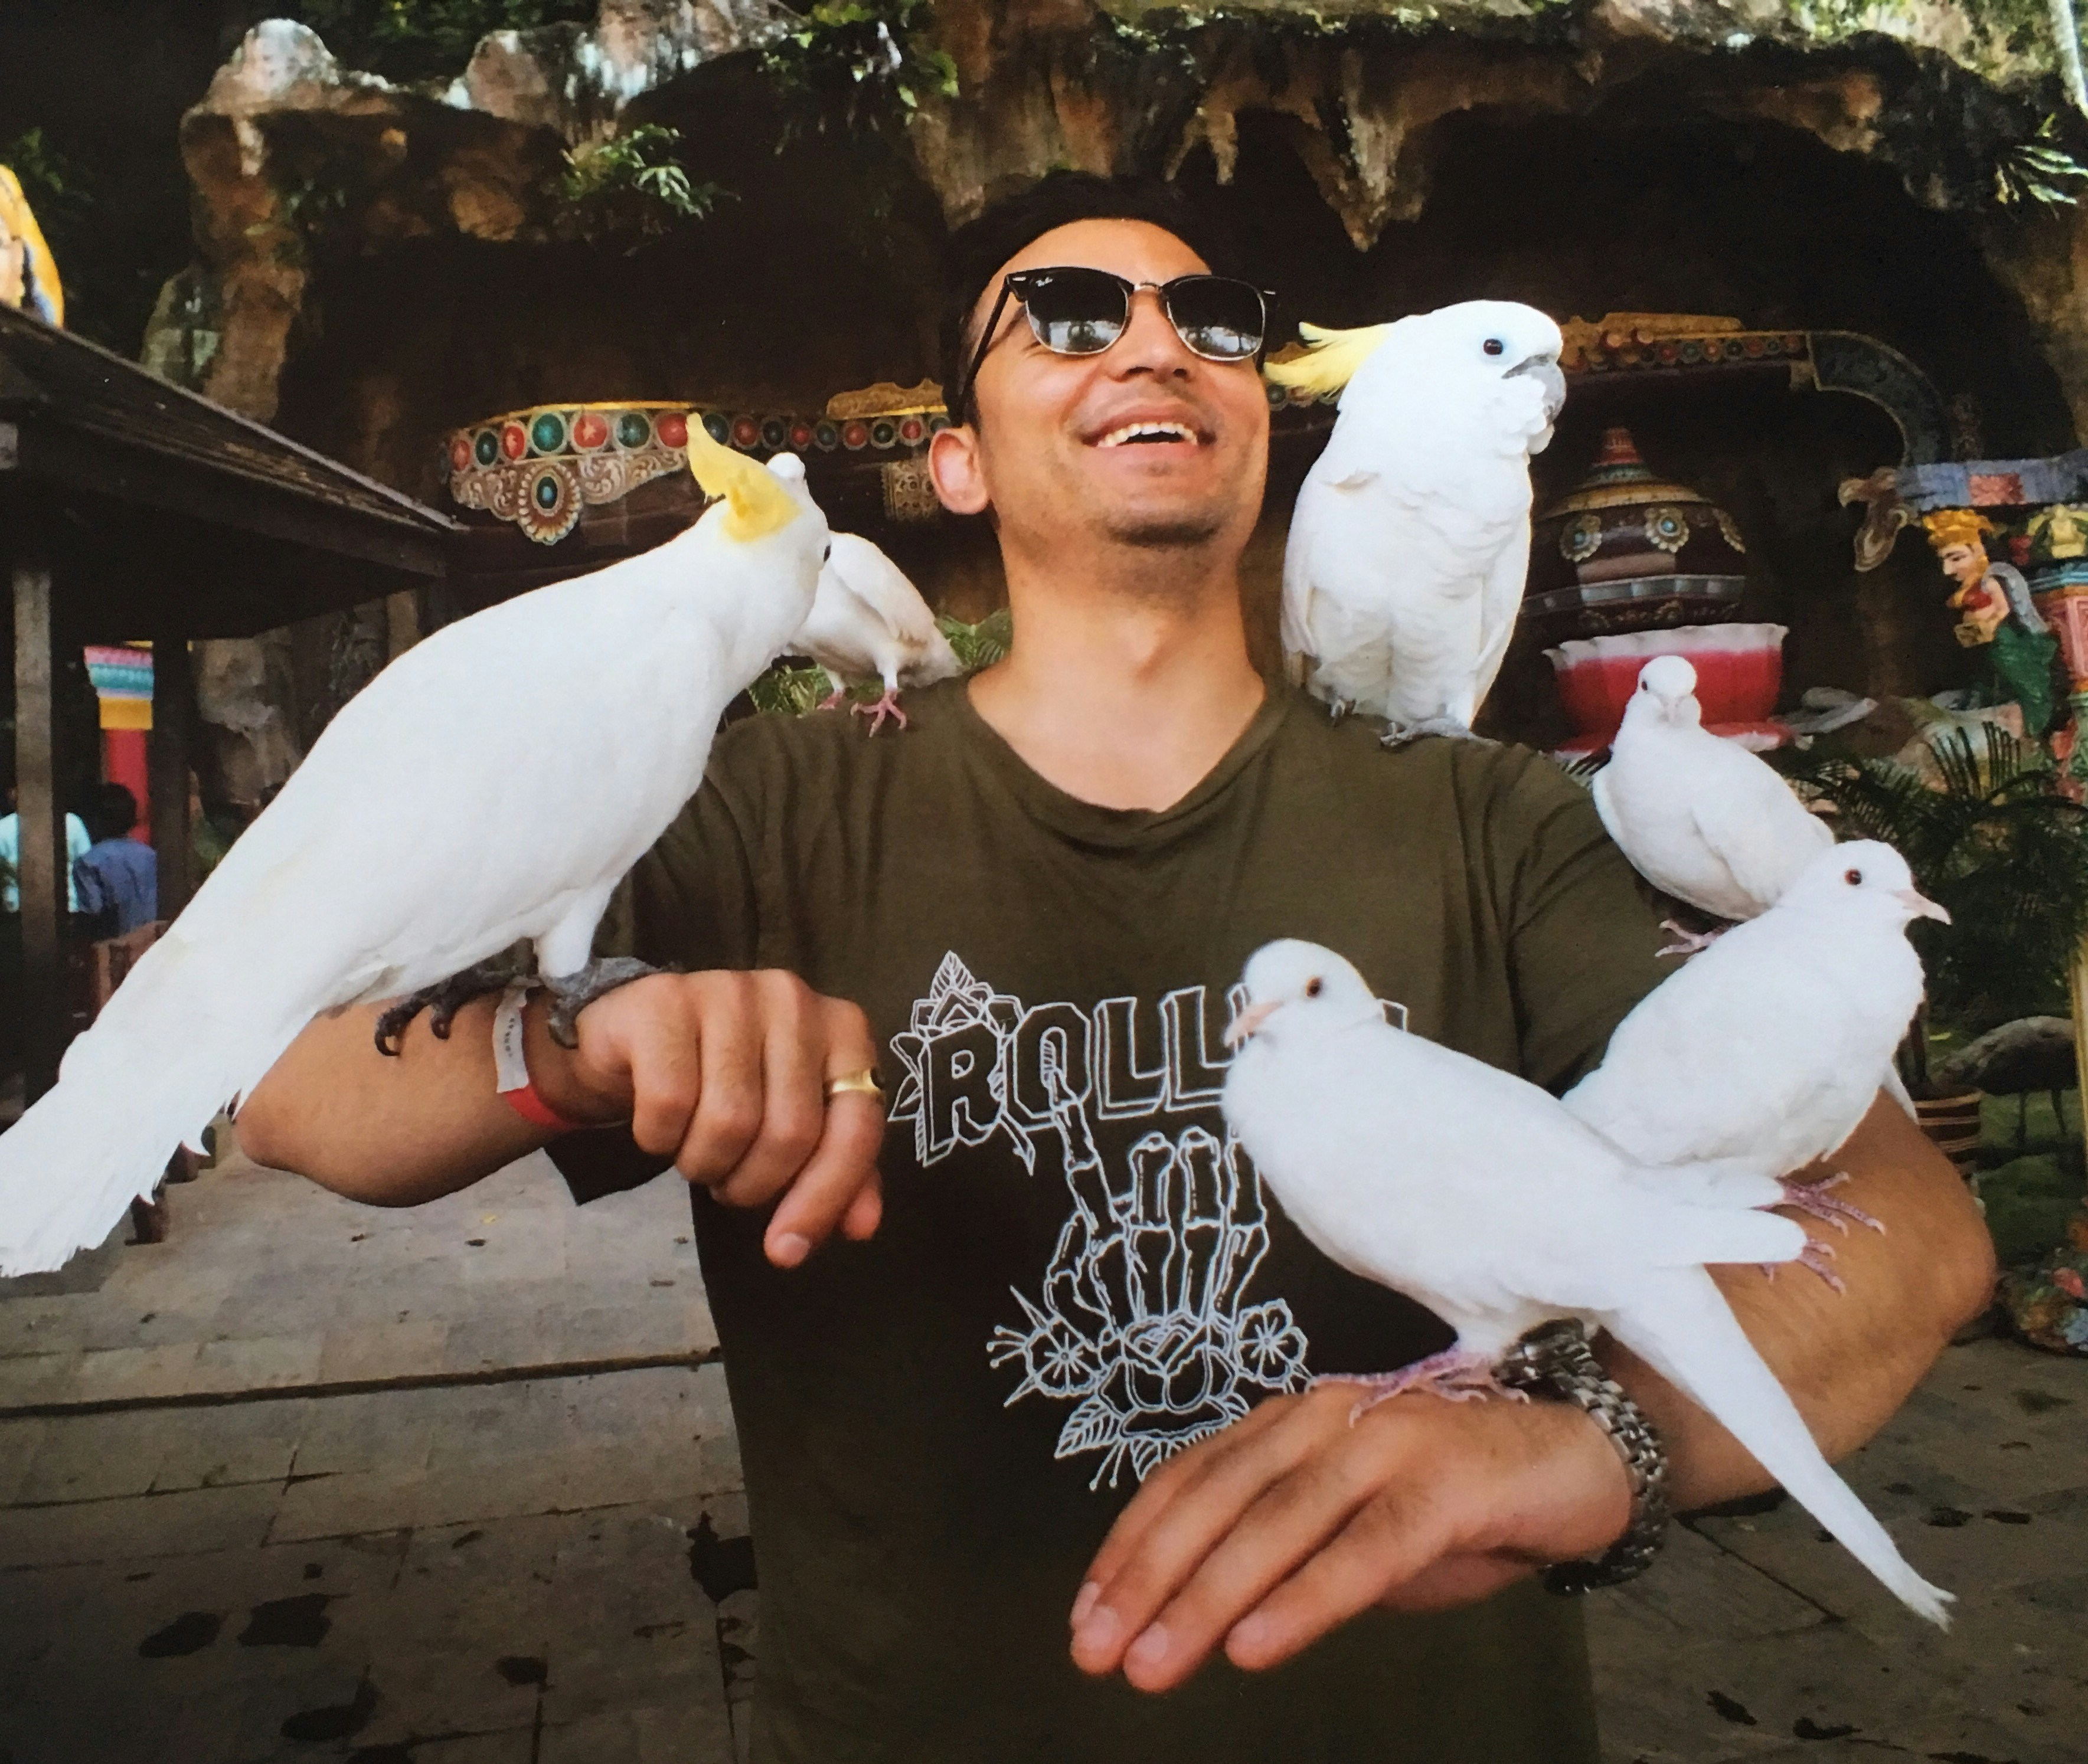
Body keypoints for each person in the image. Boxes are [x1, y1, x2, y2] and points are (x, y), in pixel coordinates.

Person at [239, 175, 1995, 1762]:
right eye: (1071, 316)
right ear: (957, 461)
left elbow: (1907, 1232)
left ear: (1260, 423)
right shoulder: (751, 808)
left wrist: (1589, 1442)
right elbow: (294, 1092)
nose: (1155, 345)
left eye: (1210, 321)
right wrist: (587, 1040)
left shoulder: (1501, 827)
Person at [73, 782, 158, 937]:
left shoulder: (88, 863)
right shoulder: (151, 856)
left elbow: (93, 913)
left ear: (96, 818)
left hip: (117, 950)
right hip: (154, 945)